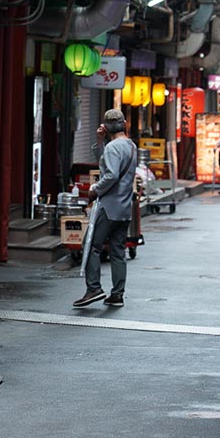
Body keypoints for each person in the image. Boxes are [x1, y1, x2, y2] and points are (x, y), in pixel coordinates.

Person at [73, 109, 137, 309]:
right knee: (118, 250)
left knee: (91, 245)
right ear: (124, 124)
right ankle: (117, 293)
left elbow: (110, 175)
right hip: (125, 207)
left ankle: (94, 288)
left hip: (108, 206)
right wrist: (99, 142)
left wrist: (95, 188)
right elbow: (107, 164)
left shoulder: (112, 148)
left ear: (107, 126)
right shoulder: (130, 146)